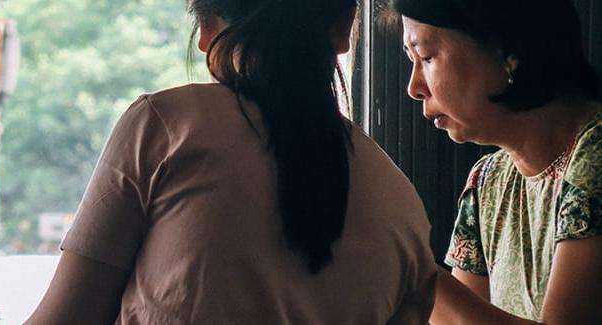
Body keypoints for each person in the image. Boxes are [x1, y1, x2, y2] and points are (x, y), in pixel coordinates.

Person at [26, 0, 437, 323]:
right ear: (344, 29)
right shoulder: (402, 202)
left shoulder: (167, 128)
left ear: (206, 30)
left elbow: (67, 318)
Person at [387, 0, 602, 323]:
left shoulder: (595, 153)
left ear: (508, 51)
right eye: (412, 60)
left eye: (427, 57)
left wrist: (404, 261)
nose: (414, 87)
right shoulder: (487, 180)